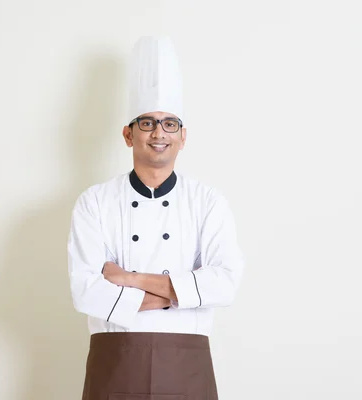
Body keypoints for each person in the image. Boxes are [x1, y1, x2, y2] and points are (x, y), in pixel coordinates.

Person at [67, 36, 245, 400]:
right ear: (127, 135)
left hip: (188, 360)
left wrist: (128, 279)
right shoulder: (95, 202)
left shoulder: (207, 201)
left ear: (183, 137)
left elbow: (224, 282)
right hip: (114, 359)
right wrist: (186, 290)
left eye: (169, 124)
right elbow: (86, 290)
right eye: (146, 123)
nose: (158, 133)